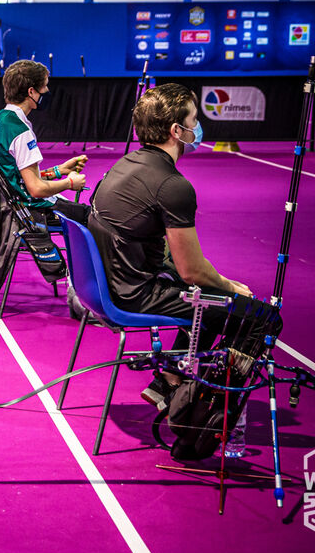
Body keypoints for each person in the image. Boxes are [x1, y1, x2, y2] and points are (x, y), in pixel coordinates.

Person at [89, 83, 282, 410]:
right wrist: (229, 286)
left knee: (212, 296)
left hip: (106, 286)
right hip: (133, 295)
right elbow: (191, 271)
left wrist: (220, 284)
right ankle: (206, 413)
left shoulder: (122, 165)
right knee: (262, 318)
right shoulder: (173, 186)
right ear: (177, 130)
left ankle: (170, 379)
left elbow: (180, 265)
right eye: (195, 120)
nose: (199, 127)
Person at [0, 60, 88, 219]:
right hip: (25, 210)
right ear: (31, 92)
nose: (47, 90)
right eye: (44, 86)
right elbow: (36, 189)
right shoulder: (20, 130)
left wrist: (59, 171)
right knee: (91, 217)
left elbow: (14, 176)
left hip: (1, 205)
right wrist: (70, 183)